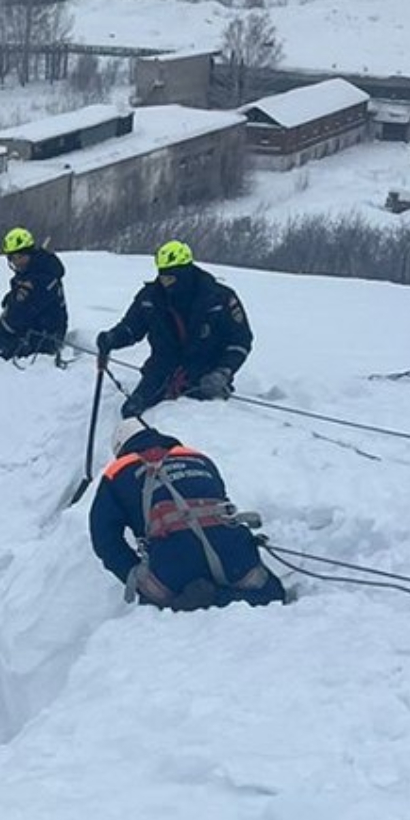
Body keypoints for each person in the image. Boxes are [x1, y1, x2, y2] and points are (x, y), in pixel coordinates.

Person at [90, 420, 289, 612]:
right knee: (271, 593)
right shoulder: (199, 458)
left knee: (159, 597)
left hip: (174, 564)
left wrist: (134, 574)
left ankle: (202, 600)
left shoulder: (117, 473)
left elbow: (104, 539)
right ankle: (231, 595)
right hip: (232, 552)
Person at [95, 241, 253, 418]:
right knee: (131, 411)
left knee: (195, 422)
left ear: (185, 272)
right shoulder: (150, 298)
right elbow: (132, 328)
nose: (166, 284)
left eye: (171, 278)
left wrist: (223, 371)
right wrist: (112, 338)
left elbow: (240, 340)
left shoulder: (220, 298)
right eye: (162, 278)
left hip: (206, 376)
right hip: (161, 369)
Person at [0, 226, 67, 364]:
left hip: (48, 335)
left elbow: (24, 314)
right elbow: (16, 307)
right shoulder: (24, 275)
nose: (17, 262)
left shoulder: (45, 277)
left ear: (31, 254)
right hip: (28, 328)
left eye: (21, 256)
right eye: (13, 258)